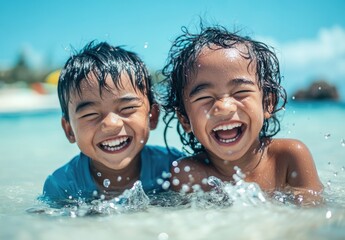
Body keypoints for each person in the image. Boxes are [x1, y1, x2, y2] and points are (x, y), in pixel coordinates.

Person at [160, 24, 323, 203]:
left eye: (240, 92)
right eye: (205, 97)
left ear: (267, 103)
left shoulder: (289, 158)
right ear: (185, 119)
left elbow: (313, 219)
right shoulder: (188, 174)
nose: (225, 107)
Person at [41, 41, 183, 206]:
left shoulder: (174, 168)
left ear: (152, 116)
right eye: (90, 114)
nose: (111, 124)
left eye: (127, 108)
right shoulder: (62, 187)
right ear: (69, 130)